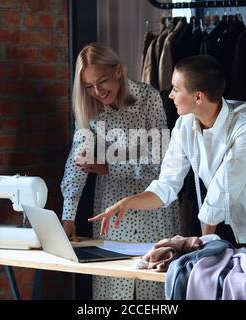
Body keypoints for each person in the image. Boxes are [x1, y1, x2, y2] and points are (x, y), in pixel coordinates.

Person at [90, 55, 246, 250]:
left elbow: (221, 191)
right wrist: (126, 203)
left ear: (198, 97)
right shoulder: (184, 125)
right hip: (230, 216)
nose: (170, 94)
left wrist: (200, 250)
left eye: (176, 88)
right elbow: (167, 184)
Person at [60, 42, 180, 300]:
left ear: (117, 71)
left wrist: (108, 167)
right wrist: (68, 215)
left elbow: (159, 162)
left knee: (152, 288)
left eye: (101, 81)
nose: (97, 91)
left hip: (153, 207)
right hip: (110, 211)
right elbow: (77, 163)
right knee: (113, 290)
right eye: (88, 86)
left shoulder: (149, 99)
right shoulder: (88, 107)